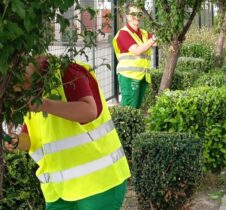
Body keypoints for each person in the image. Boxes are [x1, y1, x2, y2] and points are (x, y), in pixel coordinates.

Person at [4, 56, 131, 210]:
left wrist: (42, 104)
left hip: (99, 184)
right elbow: (31, 138)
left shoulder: (67, 72)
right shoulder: (27, 91)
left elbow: (89, 111)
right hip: (58, 190)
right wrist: (16, 141)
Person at [112, 3, 157, 109]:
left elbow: (156, 42)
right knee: (129, 108)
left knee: (136, 107)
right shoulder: (123, 33)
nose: (136, 17)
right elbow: (137, 51)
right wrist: (154, 39)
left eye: (139, 14)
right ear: (127, 16)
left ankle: (132, 125)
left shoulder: (143, 33)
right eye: (133, 14)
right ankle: (123, 126)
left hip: (142, 76)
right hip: (129, 76)